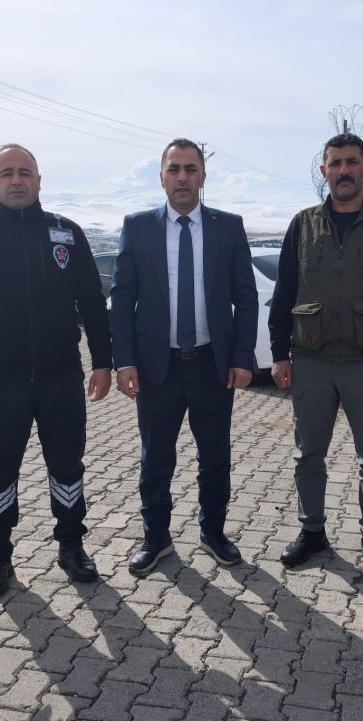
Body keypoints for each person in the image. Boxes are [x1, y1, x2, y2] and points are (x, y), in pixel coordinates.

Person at [0, 143, 112, 597]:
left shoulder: (67, 233)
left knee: (67, 466)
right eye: (7, 173)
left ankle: (72, 546)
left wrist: (103, 362)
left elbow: (92, 302)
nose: (16, 180)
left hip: (62, 377)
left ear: (39, 180)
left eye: (24, 172)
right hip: (2, 381)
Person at [268, 133, 363, 580]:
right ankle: (311, 531)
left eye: (352, 162)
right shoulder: (303, 225)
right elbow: (284, 293)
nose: (343, 171)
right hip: (312, 360)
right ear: (324, 171)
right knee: (307, 455)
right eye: (335, 163)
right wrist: (280, 354)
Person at [111, 138, 259, 577]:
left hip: (213, 365)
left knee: (215, 456)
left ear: (203, 177)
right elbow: (122, 298)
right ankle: (156, 537)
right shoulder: (138, 227)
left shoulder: (227, 227)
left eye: (190, 169)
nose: (182, 177)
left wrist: (243, 357)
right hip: (157, 368)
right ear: (161, 177)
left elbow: (245, 297)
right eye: (174, 169)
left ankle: (213, 531)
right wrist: (124, 360)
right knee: (156, 459)